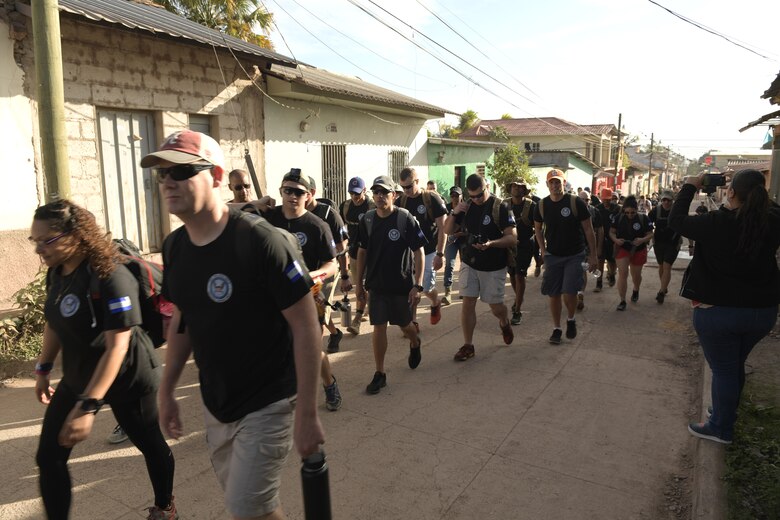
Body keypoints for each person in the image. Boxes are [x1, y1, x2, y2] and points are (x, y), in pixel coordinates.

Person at [144, 131, 325, 519]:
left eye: (181, 171)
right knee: (258, 508)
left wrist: (308, 413)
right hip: (218, 403)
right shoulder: (175, 247)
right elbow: (183, 319)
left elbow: (306, 325)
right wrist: (167, 389)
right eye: (162, 173)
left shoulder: (261, 241)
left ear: (215, 176)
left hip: (270, 400)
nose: (168, 182)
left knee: (245, 508)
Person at [31, 200, 176, 519]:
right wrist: (43, 369)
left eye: (47, 240)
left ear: (75, 235)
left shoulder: (111, 274)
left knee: (149, 443)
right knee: (49, 456)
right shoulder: (57, 272)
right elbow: (53, 321)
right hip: (80, 374)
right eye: (35, 240)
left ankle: (165, 506)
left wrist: (88, 407)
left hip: (128, 376)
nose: (39, 249)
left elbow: (117, 347)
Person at [669, 169, 779, 444]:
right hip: (762, 312)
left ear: (730, 192)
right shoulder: (773, 220)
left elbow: (676, 220)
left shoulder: (716, 222)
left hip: (718, 313)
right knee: (733, 365)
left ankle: (720, 427)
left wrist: (690, 186)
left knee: (725, 370)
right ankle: (725, 412)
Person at [253, 170, 343, 412]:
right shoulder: (267, 217)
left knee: (311, 349)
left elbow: (332, 264)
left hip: (306, 296)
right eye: (288, 190)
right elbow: (225, 215)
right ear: (280, 191)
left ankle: (329, 383)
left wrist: (313, 276)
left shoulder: (317, 226)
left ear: (309, 195)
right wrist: (254, 204)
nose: (292, 196)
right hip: (272, 298)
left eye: (299, 192)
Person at [355, 175, 426, 394]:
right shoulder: (367, 220)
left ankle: (415, 342)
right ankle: (380, 373)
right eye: (376, 192)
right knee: (378, 326)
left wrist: (418, 285)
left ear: (393, 195)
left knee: (405, 326)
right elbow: (362, 252)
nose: (379, 196)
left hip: (401, 285)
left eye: (384, 192)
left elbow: (419, 251)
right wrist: (359, 284)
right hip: (376, 285)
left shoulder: (404, 218)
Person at [445, 174, 516, 361]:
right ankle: (468, 345)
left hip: (494, 265)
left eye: (479, 195)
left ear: (487, 187)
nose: (476, 199)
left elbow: (512, 237)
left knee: (495, 307)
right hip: (469, 262)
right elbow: (447, 230)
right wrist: (454, 212)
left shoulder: (501, 206)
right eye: (472, 196)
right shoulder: (466, 206)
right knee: (468, 302)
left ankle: (504, 321)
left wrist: (491, 243)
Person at [533, 169, 598, 344]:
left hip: (574, 255)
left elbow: (588, 229)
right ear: (547, 185)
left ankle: (570, 318)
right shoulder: (541, 205)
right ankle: (556, 328)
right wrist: (543, 250)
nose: (555, 185)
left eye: (558, 182)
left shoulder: (575, 202)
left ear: (564, 183)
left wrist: (593, 256)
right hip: (553, 256)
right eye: (552, 182)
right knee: (553, 294)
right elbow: (537, 229)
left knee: (569, 292)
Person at [397, 167, 447, 327]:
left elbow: (443, 228)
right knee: (411, 287)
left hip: (430, 250)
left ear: (417, 181)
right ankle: (413, 321)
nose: (406, 190)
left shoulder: (432, 199)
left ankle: (435, 301)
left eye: (409, 186)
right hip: (409, 253)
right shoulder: (401, 201)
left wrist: (440, 254)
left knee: (425, 288)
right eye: (403, 187)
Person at [305, 176, 349, 354]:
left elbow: (342, 246)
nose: (295, 197)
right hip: (305, 271)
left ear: (312, 192)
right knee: (316, 308)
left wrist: (345, 275)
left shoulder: (329, 215)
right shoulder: (293, 214)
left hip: (327, 270)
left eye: (301, 192)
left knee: (318, 310)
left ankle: (315, 356)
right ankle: (335, 333)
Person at [339, 177, 374, 334]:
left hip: (372, 253)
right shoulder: (345, 207)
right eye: (352, 193)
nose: (354, 196)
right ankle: (359, 317)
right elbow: (340, 228)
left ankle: (360, 316)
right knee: (359, 284)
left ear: (364, 190)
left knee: (371, 286)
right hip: (354, 253)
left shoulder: (372, 207)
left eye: (357, 193)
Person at [610, 196, 653, 311]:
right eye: (627, 212)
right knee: (623, 273)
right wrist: (616, 240)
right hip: (622, 248)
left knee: (636, 275)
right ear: (624, 210)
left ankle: (636, 289)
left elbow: (650, 233)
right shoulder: (618, 218)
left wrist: (642, 240)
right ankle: (622, 300)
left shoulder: (643, 218)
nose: (629, 215)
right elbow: (611, 232)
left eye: (632, 212)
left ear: (636, 209)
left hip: (638, 249)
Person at [506, 179, 536, 325]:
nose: (517, 189)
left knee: (519, 275)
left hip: (525, 245)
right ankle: (519, 297)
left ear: (525, 190)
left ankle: (517, 310)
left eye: (520, 187)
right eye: (514, 186)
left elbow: (539, 229)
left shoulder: (532, 206)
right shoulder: (504, 204)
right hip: (509, 245)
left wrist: (539, 253)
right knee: (512, 274)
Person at [648, 191, 682, 303]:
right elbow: (647, 224)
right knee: (661, 266)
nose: (666, 202)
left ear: (673, 201)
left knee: (667, 266)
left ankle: (661, 292)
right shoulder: (655, 211)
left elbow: (685, 227)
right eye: (664, 200)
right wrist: (647, 237)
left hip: (673, 243)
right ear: (661, 200)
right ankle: (664, 286)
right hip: (658, 243)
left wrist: (691, 245)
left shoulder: (678, 211)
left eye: (669, 200)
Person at [576, 190, 603, 311]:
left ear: (590, 201)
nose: (584, 202)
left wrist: (597, 249)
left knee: (582, 270)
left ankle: (580, 294)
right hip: (574, 246)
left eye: (586, 200)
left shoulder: (594, 212)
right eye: (581, 200)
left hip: (588, 246)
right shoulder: (572, 210)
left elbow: (600, 230)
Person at [442, 186, 466, 306]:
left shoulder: (466, 208)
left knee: (464, 265)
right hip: (451, 239)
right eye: (452, 196)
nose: (454, 198)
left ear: (462, 196)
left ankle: (463, 290)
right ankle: (448, 293)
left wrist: (459, 233)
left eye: (457, 195)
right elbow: (443, 225)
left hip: (464, 239)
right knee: (449, 264)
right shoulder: (446, 208)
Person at [594, 188, 620, 291]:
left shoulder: (617, 209)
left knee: (612, 261)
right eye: (604, 199)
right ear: (601, 198)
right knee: (600, 261)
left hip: (613, 239)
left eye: (608, 199)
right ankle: (598, 283)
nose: (606, 201)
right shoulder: (597, 209)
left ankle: (612, 275)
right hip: (600, 239)